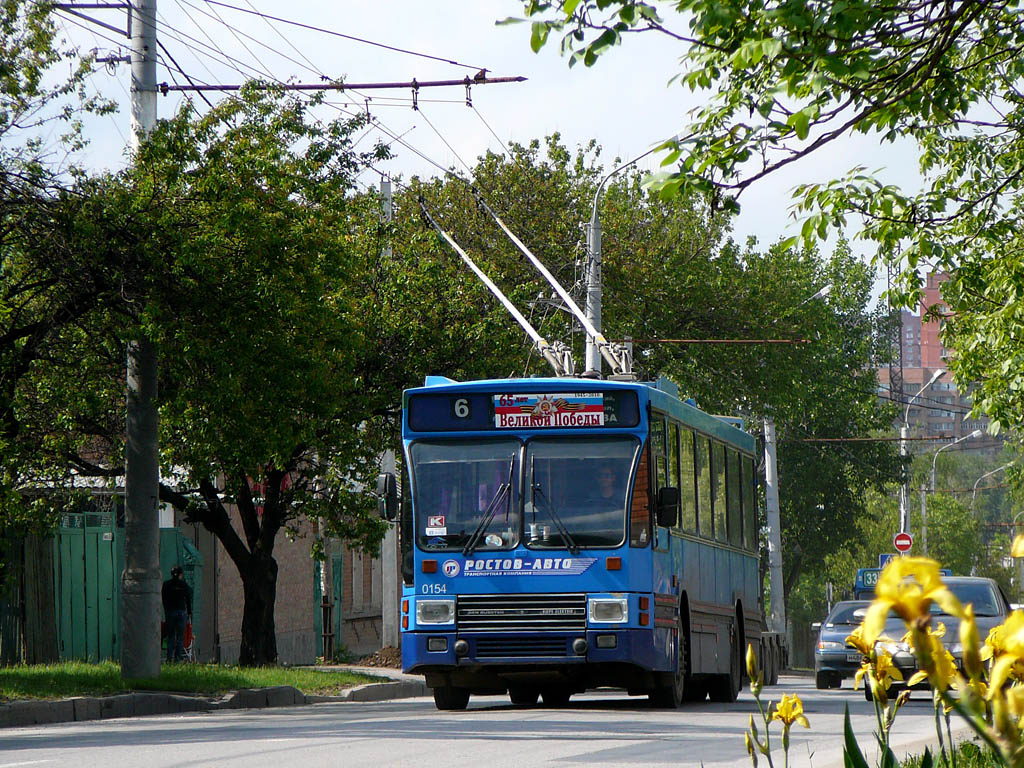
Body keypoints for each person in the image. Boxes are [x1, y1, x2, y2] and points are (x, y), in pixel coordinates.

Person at [162, 565, 193, 662]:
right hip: (181, 612)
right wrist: (189, 612)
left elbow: (164, 599)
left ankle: (169, 657)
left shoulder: (166, 584)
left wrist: (166, 610)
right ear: (181, 574)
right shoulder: (183, 585)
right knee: (180, 636)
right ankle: (178, 657)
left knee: (171, 636)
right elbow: (188, 599)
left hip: (170, 612)